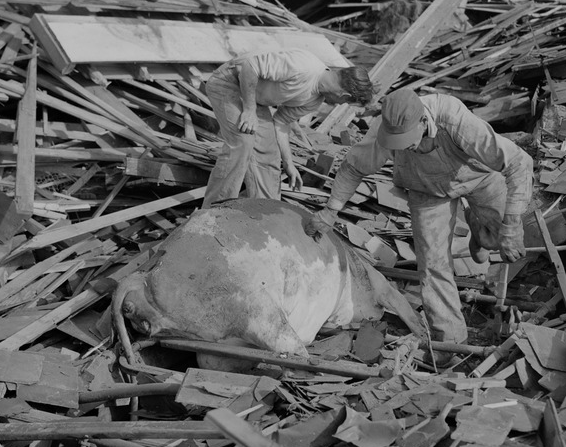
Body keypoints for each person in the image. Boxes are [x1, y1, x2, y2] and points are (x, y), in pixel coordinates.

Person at [304, 88, 533, 349]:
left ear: (424, 121)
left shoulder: (456, 120)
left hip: (478, 176)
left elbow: (519, 163)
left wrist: (512, 224)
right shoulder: (383, 131)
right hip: (428, 192)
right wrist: (331, 210)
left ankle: (481, 230)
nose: (406, 147)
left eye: (408, 141)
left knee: (506, 242)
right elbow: (353, 167)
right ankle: (452, 342)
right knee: (433, 266)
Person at [202, 49, 374, 208]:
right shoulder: (304, 66)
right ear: (344, 95)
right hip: (230, 82)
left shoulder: (314, 100)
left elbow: (281, 123)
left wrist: (289, 164)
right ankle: (213, 211)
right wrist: (249, 110)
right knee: (243, 141)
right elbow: (250, 67)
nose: (339, 104)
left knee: (269, 154)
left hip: (256, 100)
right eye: (344, 103)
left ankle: (264, 211)